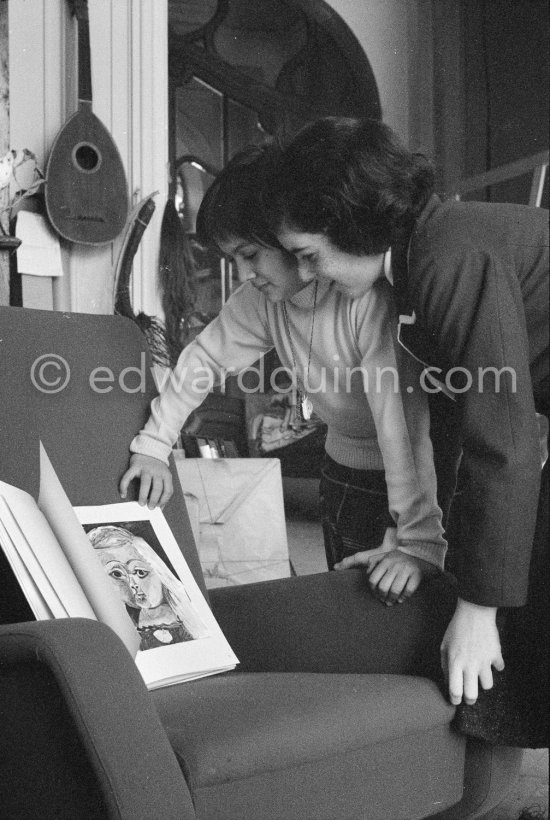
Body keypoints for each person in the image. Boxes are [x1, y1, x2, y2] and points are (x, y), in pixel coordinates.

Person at [265, 115, 549, 747]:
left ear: (355, 223)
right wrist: (418, 545)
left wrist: (478, 610)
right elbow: (448, 423)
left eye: (310, 256)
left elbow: (500, 443)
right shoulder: (421, 263)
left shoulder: (450, 258)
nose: (306, 276)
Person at [119, 145, 448, 607]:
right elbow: (202, 361)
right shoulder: (260, 302)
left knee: (410, 604)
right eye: (233, 260)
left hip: (417, 478)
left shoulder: (364, 298)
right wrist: (154, 446)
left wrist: (418, 541)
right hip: (342, 471)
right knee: (349, 603)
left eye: (251, 254)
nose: (243, 274)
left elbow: (401, 423)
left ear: (287, 235)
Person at [87, 525, 209, 650]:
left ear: (160, 571)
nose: (132, 584)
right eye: (116, 574)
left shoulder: (189, 622)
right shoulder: (125, 624)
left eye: (140, 572)